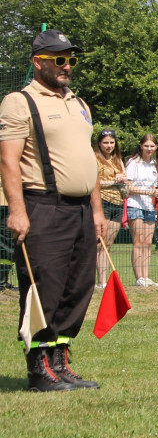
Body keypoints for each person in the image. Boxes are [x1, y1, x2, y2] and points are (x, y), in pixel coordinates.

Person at [0, 29, 103, 391]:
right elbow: (8, 160)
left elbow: (87, 158)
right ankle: (39, 369)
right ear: (38, 62)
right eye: (59, 59)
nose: (67, 66)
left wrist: (96, 210)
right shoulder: (20, 102)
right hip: (42, 205)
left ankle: (61, 360)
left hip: (80, 209)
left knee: (79, 285)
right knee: (45, 285)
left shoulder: (77, 102)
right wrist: (17, 210)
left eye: (71, 59)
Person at [124, 133, 158, 286]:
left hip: (149, 206)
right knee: (138, 241)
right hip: (135, 204)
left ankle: (146, 276)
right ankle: (139, 278)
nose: (149, 148)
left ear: (156, 147)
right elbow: (128, 187)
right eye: (146, 146)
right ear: (141, 146)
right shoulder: (133, 162)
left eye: (152, 146)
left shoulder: (155, 164)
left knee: (148, 242)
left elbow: (153, 186)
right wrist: (149, 192)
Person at [94, 128, 127, 289]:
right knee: (98, 243)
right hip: (102, 201)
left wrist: (123, 180)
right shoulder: (95, 159)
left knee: (108, 244)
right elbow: (95, 182)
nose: (109, 146)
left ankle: (102, 281)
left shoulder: (118, 160)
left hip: (117, 202)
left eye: (111, 142)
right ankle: (93, 280)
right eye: (105, 142)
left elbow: (125, 181)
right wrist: (115, 181)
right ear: (99, 143)